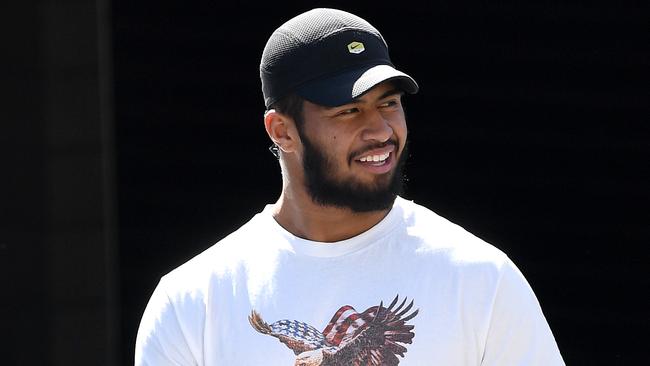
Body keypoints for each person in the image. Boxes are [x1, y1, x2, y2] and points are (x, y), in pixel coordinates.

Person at [135, 8, 564, 365]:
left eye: (389, 103)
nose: (380, 130)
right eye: (349, 111)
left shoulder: (480, 279)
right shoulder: (193, 302)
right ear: (281, 131)